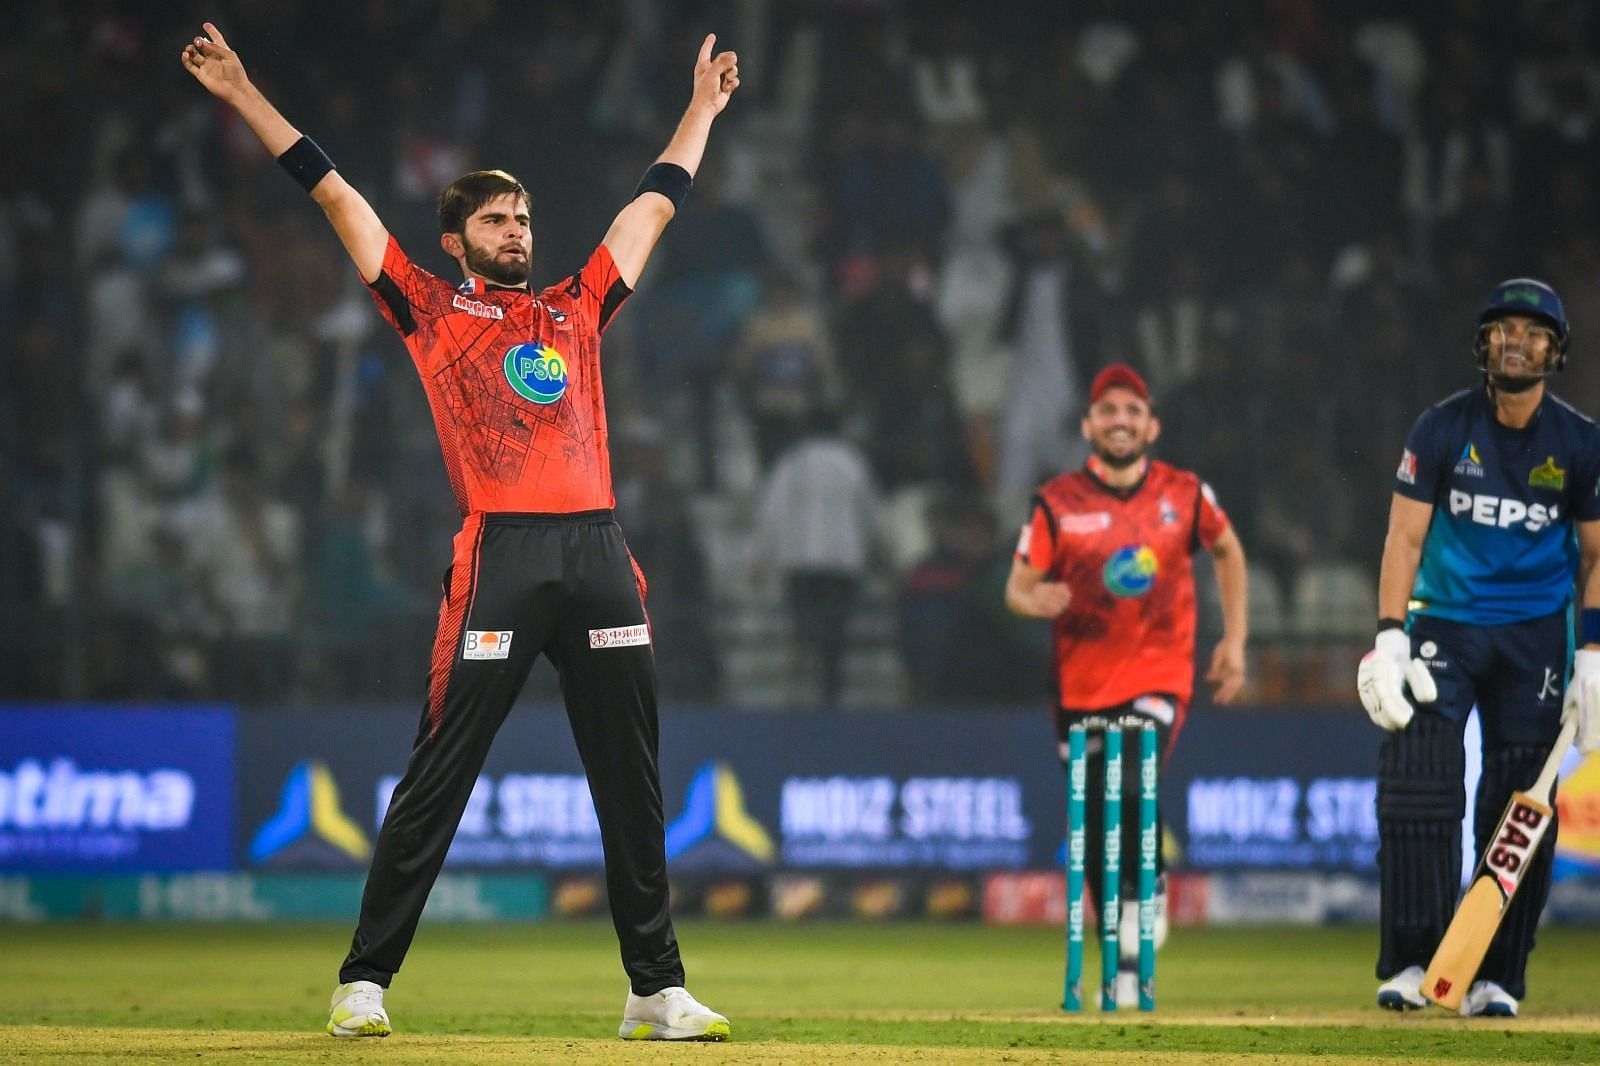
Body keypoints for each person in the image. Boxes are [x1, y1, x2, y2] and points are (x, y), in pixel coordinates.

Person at [182, 20, 740, 1042]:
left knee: (633, 774)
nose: (517, 228)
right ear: (457, 240)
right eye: (495, 218)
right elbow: (337, 196)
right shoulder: (430, 308)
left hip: (600, 551)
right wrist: (245, 94)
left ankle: (655, 989)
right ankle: (365, 978)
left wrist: (700, 108)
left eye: (523, 214)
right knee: (441, 770)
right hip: (502, 556)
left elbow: (652, 207)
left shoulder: (575, 309)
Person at [1357, 278, 1600, 1018]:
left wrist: (1591, 655)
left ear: (1554, 350)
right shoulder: (1440, 427)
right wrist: (1390, 636)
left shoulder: (1581, 444)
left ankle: (1495, 976)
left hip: (1536, 637)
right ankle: (1410, 961)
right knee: (1418, 786)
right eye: (1504, 329)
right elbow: (1403, 536)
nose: (1517, 341)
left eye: (1533, 332)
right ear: (1483, 344)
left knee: (1518, 806)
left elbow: (1597, 553)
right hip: (1444, 625)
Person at [1003, 363, 1248, 1006]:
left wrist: (1235, 639)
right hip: (1079, 682)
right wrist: (1039, 600)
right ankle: (1118, 933)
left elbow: (1228, 551)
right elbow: (1017, 588)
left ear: (1152, 426)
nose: (1120, 420)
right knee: (1087, 815)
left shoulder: (1185, 493)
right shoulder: (1056, 501)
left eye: (1133, 411)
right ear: (1087, 425)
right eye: (1108, 410)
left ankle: (1150, 890)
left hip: (1160, 671)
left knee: (1135, 768)